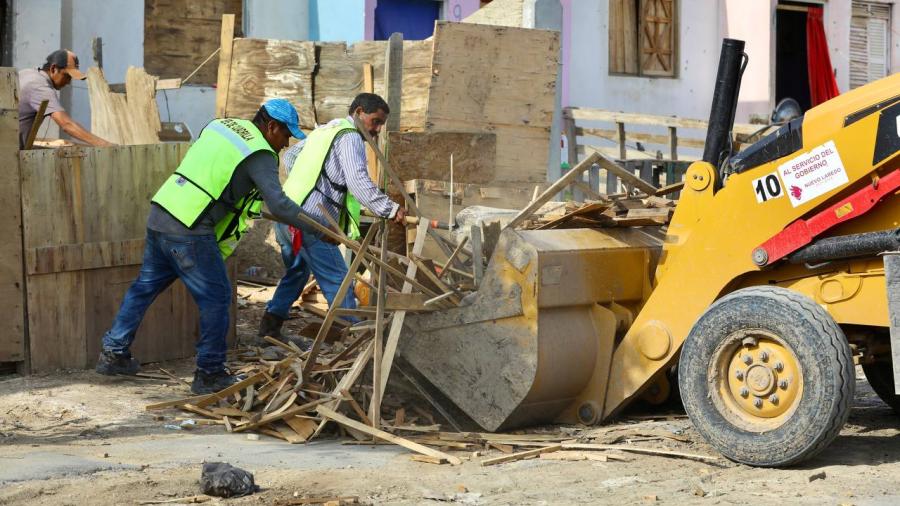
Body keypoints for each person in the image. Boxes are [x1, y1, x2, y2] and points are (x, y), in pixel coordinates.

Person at [96, 98, 310, 394]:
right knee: (217, 298)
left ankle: (113, 352)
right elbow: (281, 205)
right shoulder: (260, 153)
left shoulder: (222, 126)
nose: (285, 144)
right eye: (285, 135)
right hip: (191, 228)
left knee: (144, 287)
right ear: (271, 126)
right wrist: (315, 228)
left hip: (163, 212)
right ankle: (209, 372)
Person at [257, 93, 407, 340]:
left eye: (381, 124)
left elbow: (292, 156)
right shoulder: (350, 137)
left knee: (297, 273)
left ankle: (269, 328)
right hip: (312, 221)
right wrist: (390, 209)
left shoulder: (327, 130)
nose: (378, 129)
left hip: (289, 214)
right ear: (359, 112)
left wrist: (308, 183)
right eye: (375, 121)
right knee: (339, 281)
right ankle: (353, 339)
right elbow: (358, 183)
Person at [18, 49, 114, 149]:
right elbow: (67, 124)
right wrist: (106, 145)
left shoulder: (26, 73)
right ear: (53, 69)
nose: (68, 82)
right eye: (67, 76)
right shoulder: (40, 87)